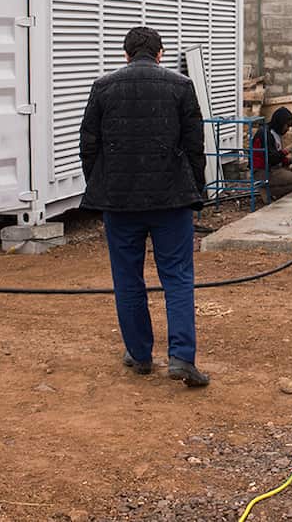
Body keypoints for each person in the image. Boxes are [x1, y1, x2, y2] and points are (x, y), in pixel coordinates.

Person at [80, 26, 210, 387]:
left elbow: (89, 146)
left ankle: (139, 355)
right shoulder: (181, 86)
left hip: (119, 202)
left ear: (125, 55)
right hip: (171, 199)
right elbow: (195, 145)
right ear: (161, 53)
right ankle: (181, 357)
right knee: (178, 277)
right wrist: (196, 189)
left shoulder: (103, 88)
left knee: (127, 279)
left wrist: (102, 185)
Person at [252, 107, 292, 200]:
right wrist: (288, 150)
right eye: (287, 126)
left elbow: (277, 156)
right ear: (280, 123)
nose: (287, 129)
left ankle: (273, 191)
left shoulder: (275, 133)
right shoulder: (266, 134)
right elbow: (271, 159)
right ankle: (268, 190)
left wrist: (290, 160)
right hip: (264, 171)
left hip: (274, 168)